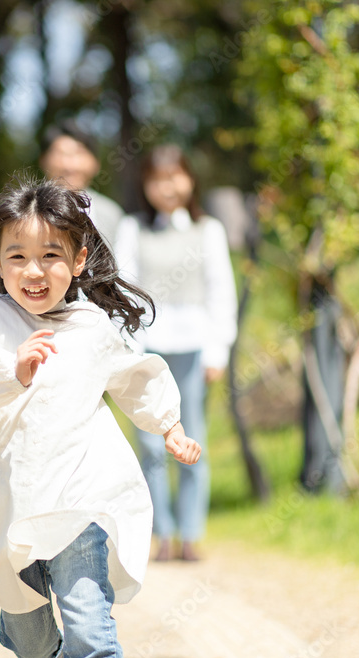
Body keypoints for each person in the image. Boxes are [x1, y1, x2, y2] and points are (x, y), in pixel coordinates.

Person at [0, 177, 201, 658]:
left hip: (80, 502)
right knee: (32, 645)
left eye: (51, 255)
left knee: (91, 633)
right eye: (17, 256)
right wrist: (11, 371)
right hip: (6, 504)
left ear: (78, 262)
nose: (34, 271)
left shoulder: (92, 326)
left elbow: (133, 376)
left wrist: (170, 426)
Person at [113, 145, 238, 562]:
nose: (167, 187)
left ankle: (191, 533)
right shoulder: (133, 228)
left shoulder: (208, 230)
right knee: (150, 444)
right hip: (148, 349)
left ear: (189, 179)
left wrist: (218, 349)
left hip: (193, 346)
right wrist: (129, 349)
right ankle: (160, 533)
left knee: (191, 437)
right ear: (145, 186)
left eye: (175, 176)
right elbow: (124, 288)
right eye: (157, 179)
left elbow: (221, 289)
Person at [39, 120, 126, 251]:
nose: (69, 164)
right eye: (60, 153)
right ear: (43, 160)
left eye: (78, 153)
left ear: (96, 163)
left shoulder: (112, 214)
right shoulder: (22, 209)